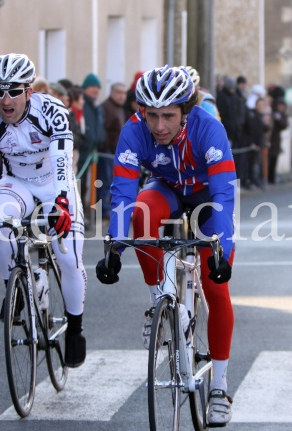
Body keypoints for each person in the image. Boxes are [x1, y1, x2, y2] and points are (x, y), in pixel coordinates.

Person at [95, 65, 236, 426]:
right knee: (141, 212)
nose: (159, 126)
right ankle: (158, 299)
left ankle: (219, 385)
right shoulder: (133, 130)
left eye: (169, 116)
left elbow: (222, 194)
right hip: (167, 189)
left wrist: (220, 246)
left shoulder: (209, 128)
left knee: (216, 288)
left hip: (206, 197)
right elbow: (123, 191)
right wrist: (115, 245)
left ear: (185, 112)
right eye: (152, 115)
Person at [0, 53, 87, 367]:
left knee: (68, 256)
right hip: (17, 181)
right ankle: (14, 290)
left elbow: (63, 162)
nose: (5, 99)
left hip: (54, 181)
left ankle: (76, 329)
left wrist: (63, 202)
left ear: (28, 91)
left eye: (13, 91)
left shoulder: (52, 111)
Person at [97, 82, 127, 220]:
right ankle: (103, 211)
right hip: (107, 152)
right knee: (105, 182)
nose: (122, 96)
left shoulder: (119, 108)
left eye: (124, 93)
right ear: (112, 93)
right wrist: (107, 146)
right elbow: (104, 130)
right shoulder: (107, 107)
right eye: (119, 93)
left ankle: (107, 208)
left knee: (111, 181)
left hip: (115, 152)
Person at [78, 72, 105, 208]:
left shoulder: (96, 106)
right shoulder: (83, 105)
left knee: (88, 184)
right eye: (92, 87)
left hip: (93, 151)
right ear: (86, 88)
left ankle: (86, 212)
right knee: (80, 183)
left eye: (97, 87)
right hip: (82, 151)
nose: (95, 90)